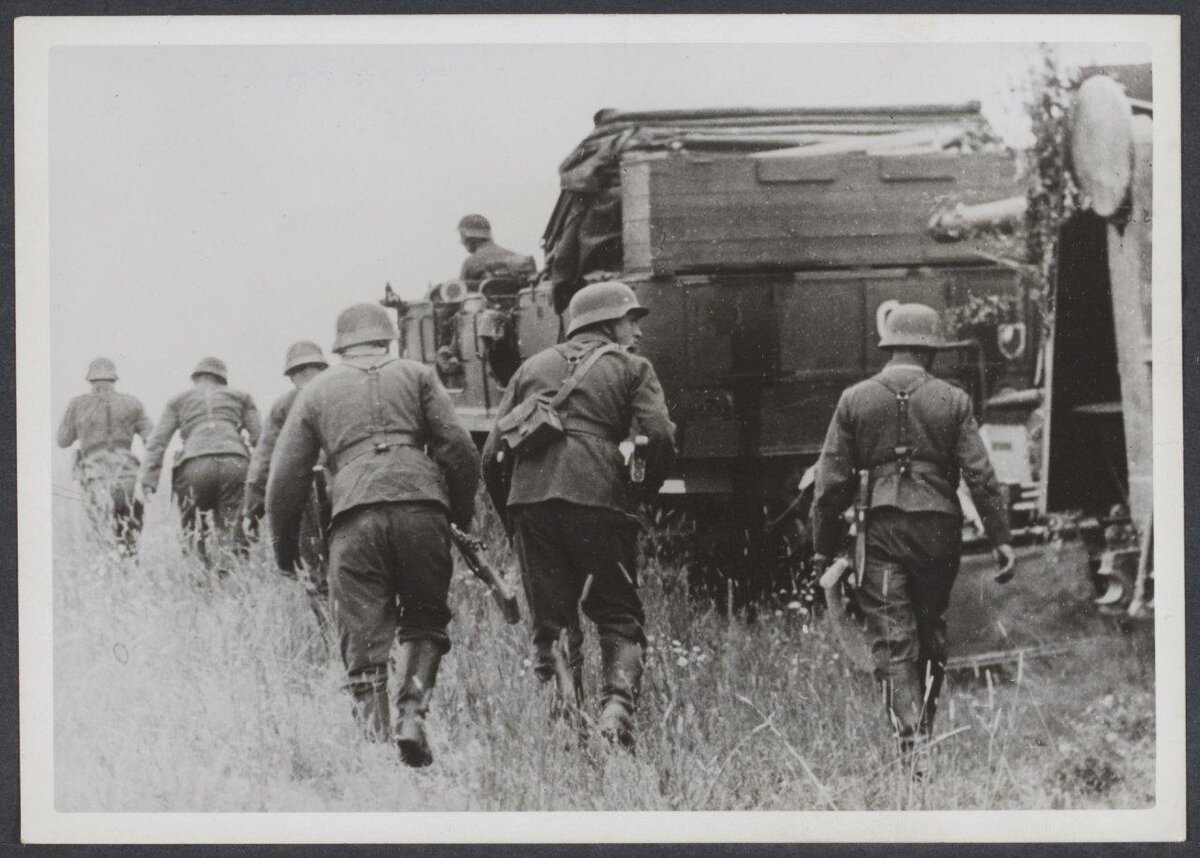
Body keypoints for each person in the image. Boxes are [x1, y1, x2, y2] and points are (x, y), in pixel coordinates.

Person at [266, 303, 479, 767]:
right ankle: (411, 714)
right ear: (387, 339)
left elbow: (285, 479)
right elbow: (460, 450)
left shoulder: (317, 389)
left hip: (353, 516)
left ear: (341, 344)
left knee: (362, 637)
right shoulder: (418, 374)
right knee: (424, 618)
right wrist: (456, 517)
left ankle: (376, 754)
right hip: (422, 510)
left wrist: (285, 552)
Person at [810, 302, 1016, 752]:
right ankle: (923, 726)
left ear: (892, 346)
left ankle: (910, 738)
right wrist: (1001, 538)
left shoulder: (855, 399)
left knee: (891, 635)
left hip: (879, 532)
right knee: (930, 631)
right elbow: (980, 475)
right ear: (930, 351)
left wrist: (823, 549)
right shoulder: (954, 400)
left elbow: (830, 484)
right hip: (938, 532)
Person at [481, 280, 675, 750]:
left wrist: (515, 521)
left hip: (530, 504)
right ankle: (616, 711)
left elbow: (490, 456)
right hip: (599, 499)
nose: (638, 332)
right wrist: (637, 495)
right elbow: (661, 438)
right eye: (631, 320)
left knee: (551, 623)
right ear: (606, 322)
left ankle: (567, 732)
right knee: (617, 612)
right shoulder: (632, 367)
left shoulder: (531, 367)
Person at [140, 357, 261, 568]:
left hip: (194, 466)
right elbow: (260, 438)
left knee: (194, 530)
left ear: (196, 379)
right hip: (236, 463)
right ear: (222, 379)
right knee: (233, 529)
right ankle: (233, 582)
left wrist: (149, 480)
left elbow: (157, 442)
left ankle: (201, 582)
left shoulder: (177, 400)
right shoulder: (241, 397)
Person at [56, 357, 154, 552]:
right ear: (113, 379)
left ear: (91, 380)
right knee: (128, 531)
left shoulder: (77, 404)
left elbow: (63, 441)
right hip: (126, 475)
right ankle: (128, 570)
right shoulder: (132, 403)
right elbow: (151, 439)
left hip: (94, 475)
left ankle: (106, 570)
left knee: (99, 532)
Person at [457, 214, 537, 284]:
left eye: (462, 236)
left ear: (470, 238)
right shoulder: (518, 258)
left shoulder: (470, 262)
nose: (461, 242)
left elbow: (460, 292)